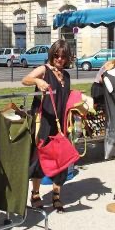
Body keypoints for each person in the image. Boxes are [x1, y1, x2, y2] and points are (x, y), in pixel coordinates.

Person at [22, 39, 72, 213]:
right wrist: (37, 82)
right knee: (39, 157)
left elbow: (66, 98)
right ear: (52, 54)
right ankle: (35, 193)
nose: (59, 59)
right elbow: (25, 79)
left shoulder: (66, 75)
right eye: (56, 55)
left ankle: (56, 195)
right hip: (43, 120)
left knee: (61, 158)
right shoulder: (45, 69)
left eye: (63, 56)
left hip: (60, 122)